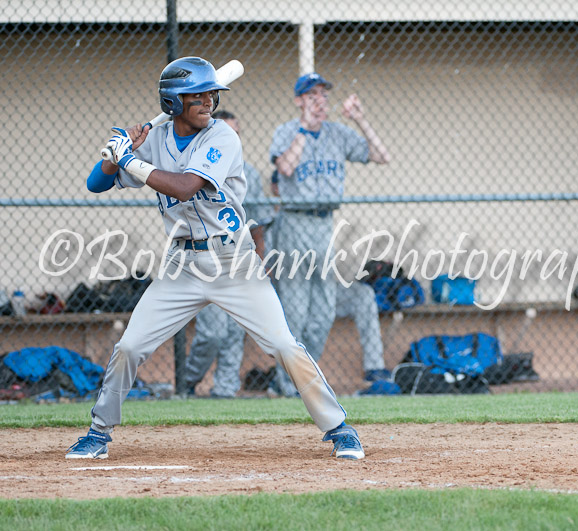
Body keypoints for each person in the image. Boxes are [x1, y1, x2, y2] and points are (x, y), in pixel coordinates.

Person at [66, 57, 364, 460]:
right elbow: (95, 183)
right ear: (172, 102)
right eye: (198, 95)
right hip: (181, 265)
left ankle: (339, 428)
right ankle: (98, 433)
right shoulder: (153, 138)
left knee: (283, 344)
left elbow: (186, 186)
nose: (209, 100)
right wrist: (114, 154)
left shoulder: (223, 137)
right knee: (130, 346)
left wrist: (131, 161)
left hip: (234, 261)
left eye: (212, 93)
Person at [269, 74, 390, 397]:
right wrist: (304, 130)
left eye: (323, 95)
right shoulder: (286, 131)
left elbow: (381, 155)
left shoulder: (337, 133)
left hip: (324, 225)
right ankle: (287, 387)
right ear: (299, 101)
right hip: (294, 223)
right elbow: (285, 168)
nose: (319, 100)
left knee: (323, 312)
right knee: (295, 311)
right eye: (311, 95)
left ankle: (302, 378)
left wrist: (361, 120)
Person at [184, 110, 275, 398]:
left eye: (237, 133)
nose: (233, 139)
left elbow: (258, 223)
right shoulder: (194, 168)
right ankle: (186, 379)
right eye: (227, 133)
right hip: (205, 259)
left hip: (240, 258)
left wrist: (261, 259)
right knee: (213, 332)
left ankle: (224, 390)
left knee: (236, 329)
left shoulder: (248, 172)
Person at [272, 171, 390, 383]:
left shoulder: (318, 219)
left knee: (363, 294)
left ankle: (375, 367)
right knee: (297, 314)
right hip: (286, 294)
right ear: (276, 189)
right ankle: (289, 378)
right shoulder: (271, 222)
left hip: (320, 292)